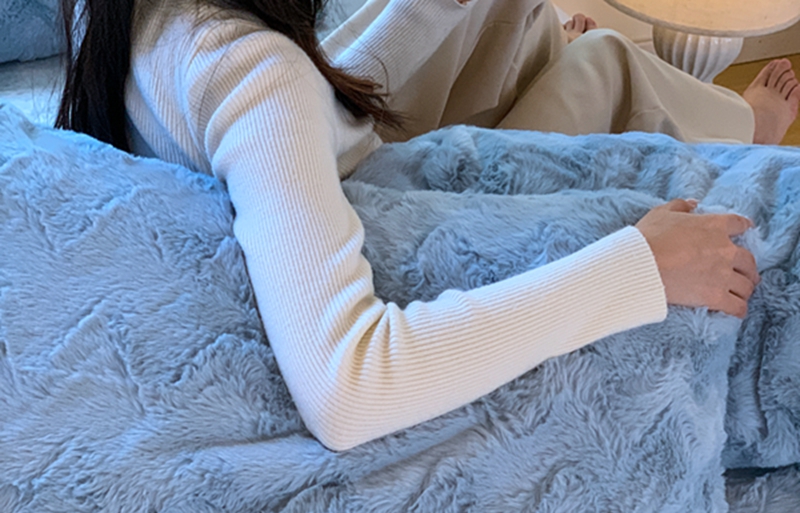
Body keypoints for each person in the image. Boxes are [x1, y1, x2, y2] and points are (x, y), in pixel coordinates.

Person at [57, 0, 798, 451]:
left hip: (346, 171)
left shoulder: (138, 21)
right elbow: (348, 388)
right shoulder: (252, 70)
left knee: (507, 16)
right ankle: (747, 126)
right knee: (603, 63)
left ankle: (545, 47)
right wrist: (639, 267)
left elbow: (298, 107)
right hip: (409, 196)